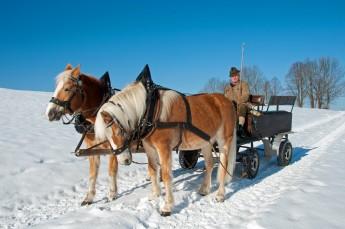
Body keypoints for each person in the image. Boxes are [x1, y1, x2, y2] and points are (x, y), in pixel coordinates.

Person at [224, 67, 250, 137]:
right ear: (230, 77)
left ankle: (240, 127)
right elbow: (224, 98)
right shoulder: (227, 87)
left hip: (241, 104)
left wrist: (237, 102)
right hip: (230, 106)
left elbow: (246, 96)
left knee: (242, 106)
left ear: (238, 76)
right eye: (233, 76)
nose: (234, 77)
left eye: (236, 75)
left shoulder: (243, 84)